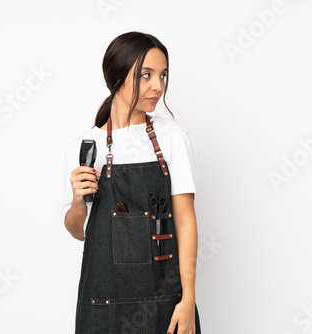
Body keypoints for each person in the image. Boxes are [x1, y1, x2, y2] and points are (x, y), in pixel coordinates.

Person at [62, 31, 201, 333]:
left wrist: (188, 299)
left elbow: (186, 222)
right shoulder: (84, 147)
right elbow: (77, 231)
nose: (158, 86)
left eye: (163, 75)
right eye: (145, 75)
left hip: (166, 303)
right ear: (116, 76)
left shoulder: (174, 138)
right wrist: (77, 200)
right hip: (103, 305)